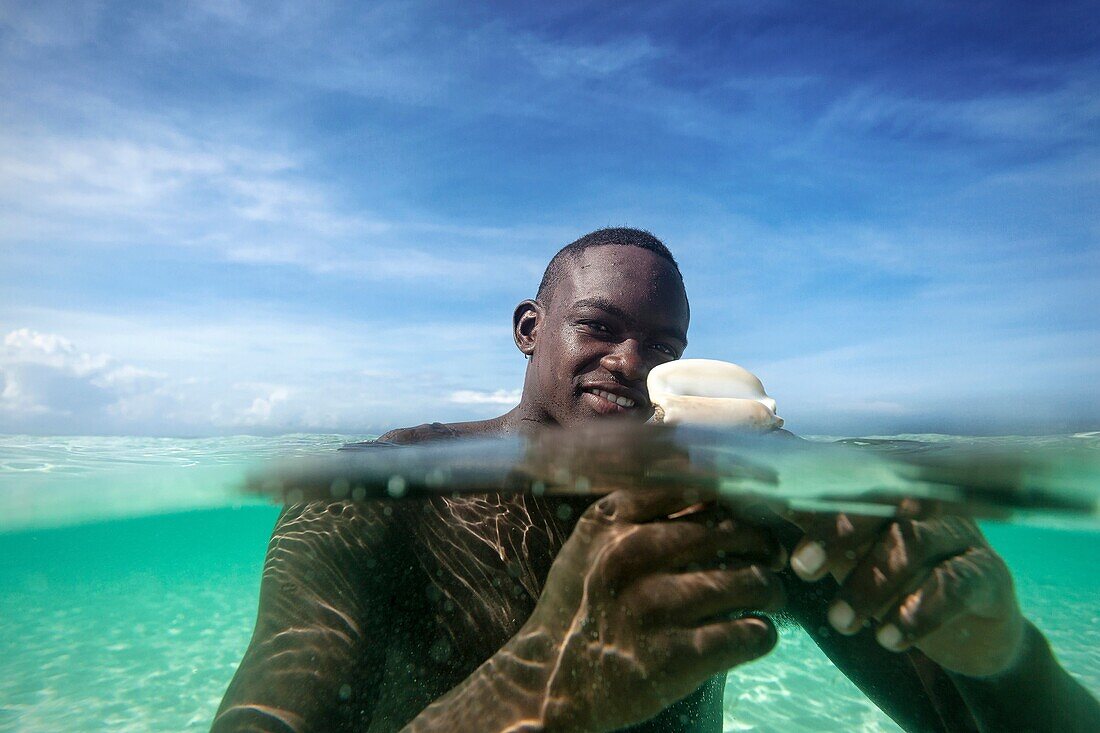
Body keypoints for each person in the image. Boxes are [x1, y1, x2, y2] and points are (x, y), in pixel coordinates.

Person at [213, 228, 1098, 732]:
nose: (632, 363)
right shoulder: (373, 497)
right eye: (598, 326)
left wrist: (1009, 655)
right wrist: (531, 690)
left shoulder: (732, 506)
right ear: (530, 326)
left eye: (666, 348)